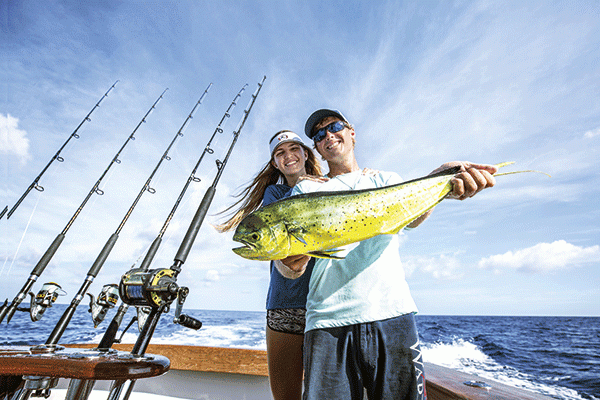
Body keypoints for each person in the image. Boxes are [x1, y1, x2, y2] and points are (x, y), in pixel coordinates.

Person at [274, 109, 498, 400]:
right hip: (328, 323)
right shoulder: (306, 189)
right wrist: (289, 265)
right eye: (319, 135)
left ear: (351, 132)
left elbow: (414, 216)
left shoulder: (385, 179)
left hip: (392, 315)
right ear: (316, 148)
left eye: (335, 126)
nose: (328, 135)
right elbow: (289, 266)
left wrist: (441, 179)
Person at [216, 130, 323, 400]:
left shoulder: (330, 186)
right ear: (275, 163)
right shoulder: (274, 193)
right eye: (280, 153)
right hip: (284, 303)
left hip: (325, 305)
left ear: (305, 153)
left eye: (293, 149)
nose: (288, 156)